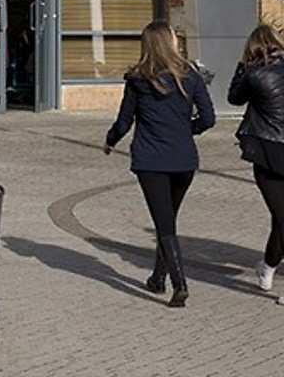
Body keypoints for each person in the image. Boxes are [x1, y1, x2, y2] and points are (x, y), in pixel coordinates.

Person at [103, 19, 215, 307]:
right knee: (167, 219)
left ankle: (180, 285)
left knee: (164, 224)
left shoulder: (137, 79)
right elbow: (208, 118)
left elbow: (124, 121)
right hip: (183, 160)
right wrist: (185, 131)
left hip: (151, 160)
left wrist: (110, 140)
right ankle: (157, 277)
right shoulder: (190, 76)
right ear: (170, 43)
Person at [227, 22, 284, 300]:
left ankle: (268, 269)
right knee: (280, 217)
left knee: (282, 217)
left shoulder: (254, 74)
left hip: (267, 151)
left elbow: (233, 98)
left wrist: (242, 67)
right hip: (273, 150)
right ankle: (268, 269)